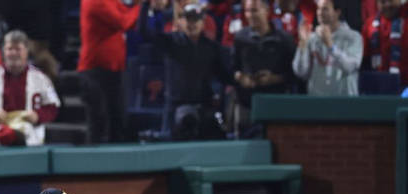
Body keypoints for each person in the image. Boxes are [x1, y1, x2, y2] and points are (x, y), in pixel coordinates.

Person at [141, 0, 231, 140]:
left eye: (196, 20)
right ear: (181, 22)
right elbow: (144, 31)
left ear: (203, 23)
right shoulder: (171, 42)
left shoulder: (211, 48)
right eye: (188, 20)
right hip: (176, 107)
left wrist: (239, 79)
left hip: (203, 107)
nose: (192, 24)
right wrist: (145, 4)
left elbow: (223, 75)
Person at [0, 29, 60, 147]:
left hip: (29, 136)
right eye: (10, 49)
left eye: (18, 49)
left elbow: (53, 106)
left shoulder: (40, 78)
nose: (13, 53)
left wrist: (38, 116)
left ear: (26, 51)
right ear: (3, 51)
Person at [78, 0, 141, 144]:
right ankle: (93, 163)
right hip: (95, 70)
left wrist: (137, 5)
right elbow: (123, 22)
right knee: (99, 122)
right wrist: (141, 6)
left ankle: (116, 163)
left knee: (117, 120)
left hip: (114, 69)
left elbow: (126, 12)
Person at [231, 0, 295, 137]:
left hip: (276, 106)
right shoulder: (240, 38)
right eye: (247, 11)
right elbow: (233, 68)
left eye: (254, 10)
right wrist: (241, 78)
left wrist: (275, 79)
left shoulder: (284, 40)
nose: (250, 15)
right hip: (247, 106)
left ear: (266, 11)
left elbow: (295, 74)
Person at [292, 0, 362, 96]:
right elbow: (301, 72)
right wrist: (302, 44)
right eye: (318, 9)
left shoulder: (354, 37)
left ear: (337, 12)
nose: (320, 13)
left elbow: (350, 67)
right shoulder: (312, 38)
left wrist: (331, 46)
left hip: (345, 102)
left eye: (325, 9)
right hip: (316, 101)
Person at [362, 0, 408, 86]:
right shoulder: (370, 25)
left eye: (391, 1)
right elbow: (365, 59)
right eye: (383, 2)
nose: (387, 5)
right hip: (379, 85)